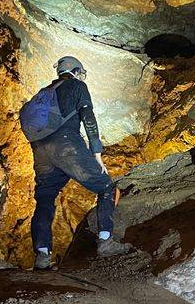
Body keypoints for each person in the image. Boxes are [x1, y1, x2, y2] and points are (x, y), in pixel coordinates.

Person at [22, 56, 130, 270]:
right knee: (106, 187)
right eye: (81, 72)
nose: (82, 76)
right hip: (66, 145)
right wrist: (97, 153)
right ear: (75, 71)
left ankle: (42, 255)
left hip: (40, 150)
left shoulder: (45, 92)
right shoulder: (76, 86)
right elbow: (88, 117)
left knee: (45, 198)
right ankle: (105, 241)